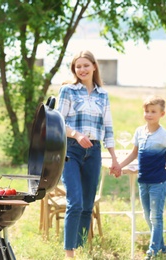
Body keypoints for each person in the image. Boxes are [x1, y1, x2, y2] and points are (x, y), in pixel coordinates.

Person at [56, 50, 121, 258]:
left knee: (87, 205)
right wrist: (76, 134)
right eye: (78, 66)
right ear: (74, 70)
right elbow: (58, 123)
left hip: (94, 151)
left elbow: (108, 128)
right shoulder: (68, 91)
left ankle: (81, 248)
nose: (82, 69)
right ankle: (69, 253)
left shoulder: (103, 95)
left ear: (94, 66)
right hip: (71, 151)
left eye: (86, 65)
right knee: (74, 202)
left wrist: (114, 159)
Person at [113, 95, 166, 259]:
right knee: (148, 216)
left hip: (158, 183)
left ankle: (152, 251)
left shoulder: (164, 135)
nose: (149, 114)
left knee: (156, 216)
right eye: (146, 111)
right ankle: (161, 247)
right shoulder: (139, 131)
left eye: (153, 111)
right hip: (143, 181)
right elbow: (134, 153)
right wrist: (119, 165)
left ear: (162, 114)